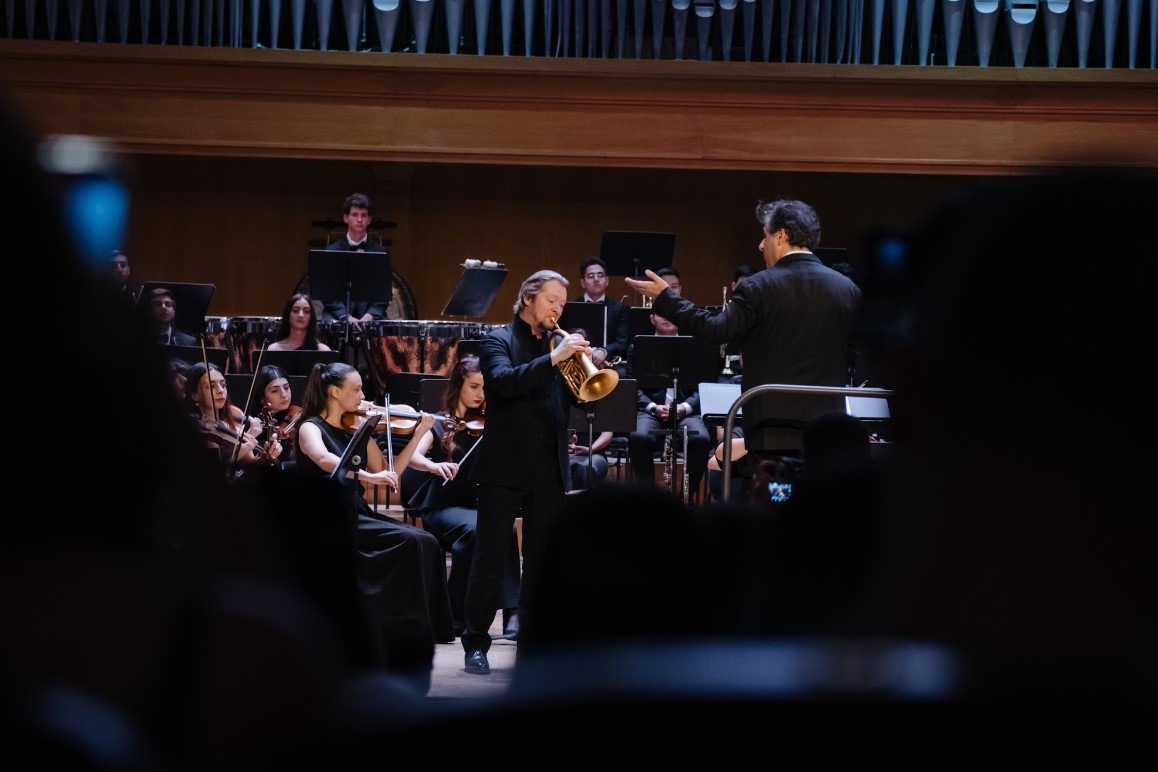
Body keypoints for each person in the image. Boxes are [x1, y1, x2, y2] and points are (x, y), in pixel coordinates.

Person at [626, 198, 861, 466]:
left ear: (780, 236)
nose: (760, 245)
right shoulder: (846, 289)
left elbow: (716, 329)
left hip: (772, 429)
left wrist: (667, 299)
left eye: (765, 236)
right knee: (819, 493)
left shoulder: (758, 286)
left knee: (776, 490)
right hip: (827, 429)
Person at [460, 269, 588, 675]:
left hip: (549, 466)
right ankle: (475, 643)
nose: (557, 309)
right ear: (528, 297)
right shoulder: (497, 339)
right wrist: (556, 358)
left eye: (562, 303)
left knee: (541, 561)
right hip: (504, 465)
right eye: (552, 300)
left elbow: (581, 400)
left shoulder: (556, 344)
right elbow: (503, 383)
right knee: (490, 558)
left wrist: (585, 371)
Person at [295, 360, 456, 656]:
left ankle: (427, 627)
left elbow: (389, 471)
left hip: (356, 512)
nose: (362, 397)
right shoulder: (310, 427)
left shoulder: (357, 427)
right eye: (356, 390)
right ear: (334, 392)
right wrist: (368, 477)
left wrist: (419, 434)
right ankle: (392, 625)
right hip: (327, 516)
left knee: (428, 541)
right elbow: (323, 459)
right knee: (410, 541)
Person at [405, 354, 521, 640]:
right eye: (474, 386)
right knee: (475, 530)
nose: (480, 394)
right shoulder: (440, 423)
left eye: (484, 388)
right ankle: (454, 615)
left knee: (505, 526)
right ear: (458, 385)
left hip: (475, 503)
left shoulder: (489, 423)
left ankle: (512, 612)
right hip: (441, 505)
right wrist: (433, 466)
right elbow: (414, 457)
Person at [625, 305, 712, 503]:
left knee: (701, 439)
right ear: (652, 318)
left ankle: (686, 498)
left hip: (686, 411)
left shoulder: (696, 347)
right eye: (661, 313)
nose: (667, 317)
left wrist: (685, 407)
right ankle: (648, 498)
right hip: (651, 410)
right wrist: (652, 407)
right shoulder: (638, 347)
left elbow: (704, 385)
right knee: (638, 436)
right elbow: (632, 385)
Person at [185, 360, 282, 474]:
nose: (220, 390)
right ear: (194, 395)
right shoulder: (193, 427)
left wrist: (266, 456)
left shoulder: (228, 424)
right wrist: (249, 438)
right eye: (211, 386)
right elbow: (214, 468)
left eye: (223, 385)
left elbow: (251, 464)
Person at [322, 192, 390, 327]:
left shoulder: (381, 252)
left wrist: (369, 316)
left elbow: (384, 294)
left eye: (363, 215)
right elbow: (327, 293)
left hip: (371, 315)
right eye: (355, 214)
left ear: (369, 219)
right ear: (345, 218)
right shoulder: (331, 251)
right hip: (338, 314)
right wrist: (346, 316)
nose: (359, 219)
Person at [575, 256, 629, 369]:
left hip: (610, 363)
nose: (596, 279)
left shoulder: (620, 309)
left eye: (600, 275)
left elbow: (622, 342)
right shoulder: (571, 307)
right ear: (582, 283)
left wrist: (604, 351)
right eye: (591, 276)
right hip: (578, 363)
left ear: (607, 281)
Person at [250, 364, 303, 464]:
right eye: (274, 391)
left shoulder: (297, 416)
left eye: (286, 388)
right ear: (261, 397)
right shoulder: (253, 430)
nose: (284, 394)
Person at [268, 292, 332, 352]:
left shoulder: (323, 350)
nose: (301, 315)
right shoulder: (274, 349)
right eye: (295, 310)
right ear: (288, 314)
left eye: (306, 311)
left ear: (311, 317)